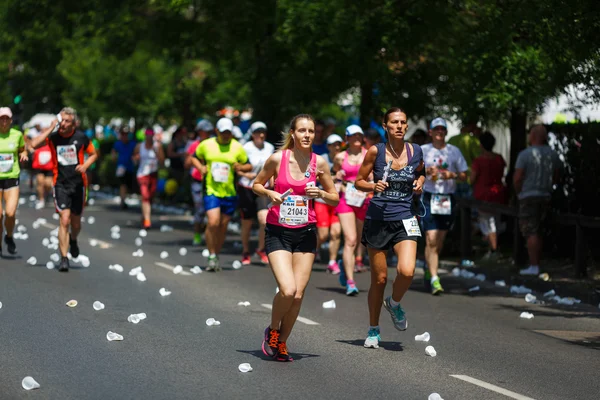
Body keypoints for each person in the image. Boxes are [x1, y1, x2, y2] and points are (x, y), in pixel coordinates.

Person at [253, 114, 338, 361]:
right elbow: (255, 185)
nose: (307, 135)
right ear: (293, 133)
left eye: (311, 131)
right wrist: (270, 193)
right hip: (278, 231)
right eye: (302, 131)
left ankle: (282, 342)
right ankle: (272, 329)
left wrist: (321, 192)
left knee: (299, 294)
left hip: (306, 233)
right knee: (288, 290)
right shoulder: (278, 159)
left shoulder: (319, 163)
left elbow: (334, 197)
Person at [355, 107, 424, 348]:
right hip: (378, 219)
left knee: (406, 271)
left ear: (406, 126)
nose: (399, 126)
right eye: (394, 122)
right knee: (380, 278)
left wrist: (419, 183)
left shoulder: (416, 150)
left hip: (405, 217)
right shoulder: (377, 151)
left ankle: (393, 304)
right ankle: (373, 329)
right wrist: (372, 187)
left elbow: (421, 172)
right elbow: (358, 181)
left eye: (403, 122)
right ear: (385, 126)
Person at [29, 107, 98, 271]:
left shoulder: (81, 138)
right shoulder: (53, 138)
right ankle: (64, 258)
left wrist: (85, 165)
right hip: (60, 183)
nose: (64, 124)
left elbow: (94, 154)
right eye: (62, 120)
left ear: (73, 124)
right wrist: (51, 127)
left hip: (78, 184)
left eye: (67, 121)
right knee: (64, 219)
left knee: (75, 223)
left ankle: (73, 239)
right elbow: (34, 144)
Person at [192, 117, 251, 271]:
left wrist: (240, 167)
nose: (226, 135)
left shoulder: (237, 147)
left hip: (229, 192)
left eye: (228, 133)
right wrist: (201, 168)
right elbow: (194, 158)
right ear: (217, 131)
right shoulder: (206, 145)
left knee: (223, 226)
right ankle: (211, 255)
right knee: (213, 222)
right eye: (223, 132)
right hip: (211, 190)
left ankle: (216, 255)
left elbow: (248, 165)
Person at [421, 117, 468, 294]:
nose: (439, 132)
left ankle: (429, 267)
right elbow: (411, 170)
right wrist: (425, 171)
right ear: (430, 132)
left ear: (446, 132)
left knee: (439, 241)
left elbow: (465, 175)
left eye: (442, 129)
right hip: (429, 196)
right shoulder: (424, 150)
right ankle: (435, 278)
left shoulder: (453, 151)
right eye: (436, 129)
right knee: (431, 238)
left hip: (447, 197)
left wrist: (452, 175)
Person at [513, 125, 561, 276]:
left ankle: (534, 265)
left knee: (531, 230)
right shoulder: (552, 154)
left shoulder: (525, 155)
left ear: (532, 136)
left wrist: (518, 193)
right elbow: (558, 174)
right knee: (540, 229)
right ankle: (537, 263)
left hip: (528, 195)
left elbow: (518, 177)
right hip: (545, 195)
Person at [332, 125, 370, 296]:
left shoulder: (369, 154)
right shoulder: (340, 157)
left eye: (359, 135)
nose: (356, 137)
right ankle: (350, 281)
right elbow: (333, 177)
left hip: (363, 200)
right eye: (353, 135)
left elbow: (376, 175)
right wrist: (337, 179)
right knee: (351, 239)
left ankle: (343, 265)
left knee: (359, 238)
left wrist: (372, 179)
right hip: (346, 199)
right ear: (346, 138)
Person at [238, 121, 274, 265]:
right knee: (246, 222)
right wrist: (246, 175)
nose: (261, 135)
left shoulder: (270, 147)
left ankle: (261, 248)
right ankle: (246, 251)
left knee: (264, 220)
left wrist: (272, 179)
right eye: (257, 132)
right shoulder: (245, 148)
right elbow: (236, 167)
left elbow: (272, 166)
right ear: (252, 134)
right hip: (246, 187)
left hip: (262, 188)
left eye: (263, 132)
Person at [471, 131, 507, 260]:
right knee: (495, 222)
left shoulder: (479, 161)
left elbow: (472, 179)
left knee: (488, 223)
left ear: (481, 145)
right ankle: (493, 248)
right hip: (498, 193)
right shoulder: (499, 158)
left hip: (483, 195)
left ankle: (494, 250)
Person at [0, 107, 28, 256]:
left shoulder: (17, 135)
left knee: (10, 213)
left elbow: (23, 149)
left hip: (11, 177)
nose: (4, 121)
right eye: (1, 118)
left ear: (11, 120)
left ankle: (9, 237)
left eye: (6, 118)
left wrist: (24, 154)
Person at [316, 134, 343, 273]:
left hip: (338, 201)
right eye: (333, 145)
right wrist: (333, 177)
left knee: (336, 233)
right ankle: (314, 249)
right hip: (322, 199)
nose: (337, 147)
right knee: (323, 235)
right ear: (328, 146)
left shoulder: (344, 158)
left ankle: (332, 262)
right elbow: (316, 178)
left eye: (339, 144)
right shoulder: (322, 160)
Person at [185, 121, 213, 246]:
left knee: (210, 210)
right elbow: (186, 163)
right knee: (199, 209)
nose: (206, 134)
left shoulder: (213, 144)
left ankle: (209, 235)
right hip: (197, 180)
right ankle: (197, 234)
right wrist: (195, 159)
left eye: (208, 132)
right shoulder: (194, 145)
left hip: (212, 181)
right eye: (204, 131)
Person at [133, 129, 165, 229]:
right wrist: (136, 159)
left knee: (150, 197)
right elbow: (134, 158)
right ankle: (147, 220)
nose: (149, 138)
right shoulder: (140, 146)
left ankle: (144, 216)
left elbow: (162, 161)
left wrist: (156, 152)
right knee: (145, 196)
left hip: (153, 174)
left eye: (151, 136)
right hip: (142, 174)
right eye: (147, 136)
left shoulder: (157, 146)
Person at [30, 122, 55, 210]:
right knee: (40, 182)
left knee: (48, 184)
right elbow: (31, 145)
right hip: (39, 166)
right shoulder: (38, 138)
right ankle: (41, 199)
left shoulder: (52, 139)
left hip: (49, 166)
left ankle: (46, 194)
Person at [112, 128, 137, 210]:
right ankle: (122, 200)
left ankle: (124, 198)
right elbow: (113, 153)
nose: (124, 136)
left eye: (126, 134)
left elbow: (136, 152)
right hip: (121, 167)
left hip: (130, 167)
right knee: (123, 184)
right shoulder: (118, 144)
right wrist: (114, 158)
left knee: (128, 185)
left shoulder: (132, 144)